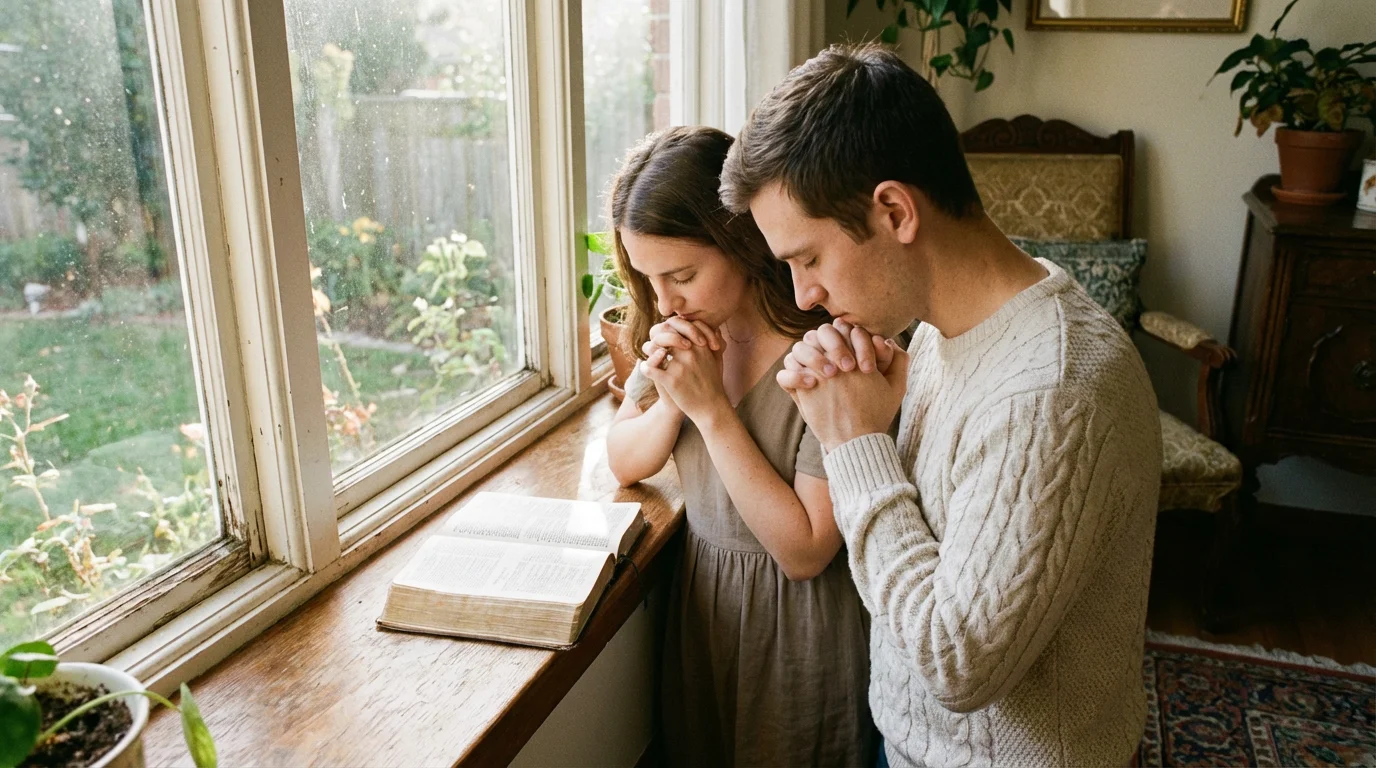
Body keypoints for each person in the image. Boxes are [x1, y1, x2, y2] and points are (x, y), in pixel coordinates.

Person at [719, 44, 1162, 767]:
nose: (803, 296)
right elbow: (951, 542)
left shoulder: (1051, 392)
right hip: (917, 743)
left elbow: (958, 664)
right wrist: (881, 415)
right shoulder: (941, 330)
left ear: (894, 210)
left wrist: (854, 446)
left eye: (808, 259)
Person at [604, 125, 876, 767]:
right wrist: (674, 400)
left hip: (801, 629)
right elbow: (623, 457)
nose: (665, 300)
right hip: (706, 612)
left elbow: (807, 549)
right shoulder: (680, 342)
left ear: (744, 242)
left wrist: (710, 409)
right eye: (649, 280)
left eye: (683, 275)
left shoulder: (825, 351)